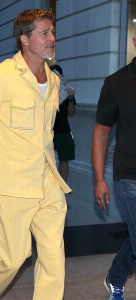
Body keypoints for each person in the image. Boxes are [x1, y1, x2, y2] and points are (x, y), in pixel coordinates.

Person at [0, 9, 71, 300]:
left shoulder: (53, 81)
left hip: (48, 183)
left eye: (52, 32)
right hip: (12, 185)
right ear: (24, 39)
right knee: (9, 259)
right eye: (44, 33)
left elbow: (45, 135)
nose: (52, 38)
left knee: (53, 259)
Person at [92, 36, 136, 300]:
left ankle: (115, 278)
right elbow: (101, 133)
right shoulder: (116, 83)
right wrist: (99, 179)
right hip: (130, 176)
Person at [50, 64, 76, 182]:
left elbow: (71, 113)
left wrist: (70, 97)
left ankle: (63, 186)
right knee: (46, 160)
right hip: (48, 130)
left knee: (64, 159)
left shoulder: (67, 91)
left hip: (63, 130)